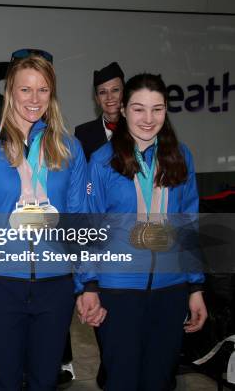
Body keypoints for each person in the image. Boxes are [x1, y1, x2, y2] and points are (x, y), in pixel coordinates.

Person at [0, 53, 87, 390]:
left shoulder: (70, 149)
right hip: (1, 284)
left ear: (52, 94)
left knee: (46, 381)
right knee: (4, 380)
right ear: (10, 92)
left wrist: (85, 284)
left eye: (43, 90)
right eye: (25, 89)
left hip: (55, 285)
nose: (34, 99)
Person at [78, 73, 207, 391]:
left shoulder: (181, 156)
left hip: (170, 289)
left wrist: (195, 287)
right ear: (122, 109)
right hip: (118, 291)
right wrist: (88, 286)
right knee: (122, 380)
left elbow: (188, 224)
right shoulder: (102, 161)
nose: (148, 119)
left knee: (160, 381)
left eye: (157, 109)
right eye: (138, 109)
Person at [75, 62, 125, 161]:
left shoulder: (138, 128)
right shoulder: (83, 133)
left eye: (115, 90)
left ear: (125, 93)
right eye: (103, 92)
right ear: (97, 99)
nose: (109, 97)